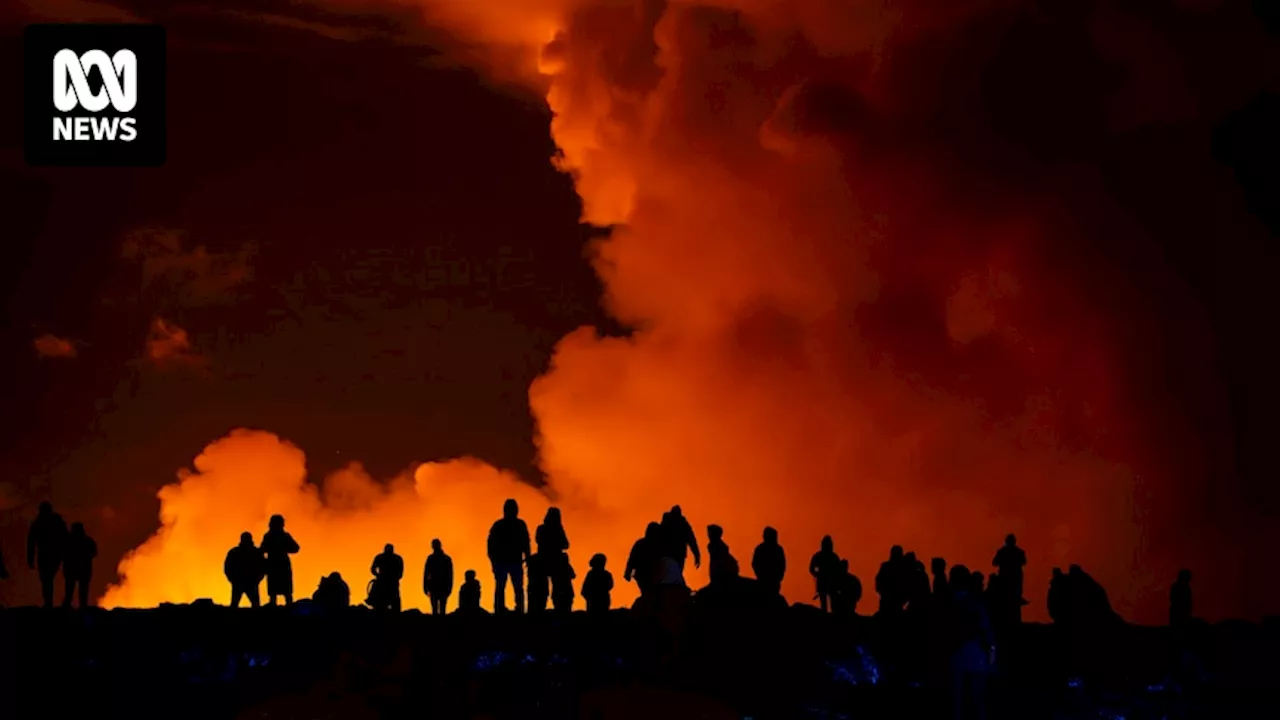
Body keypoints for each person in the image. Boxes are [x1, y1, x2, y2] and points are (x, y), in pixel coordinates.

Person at [487, 499, 530, 613]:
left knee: (509, 587)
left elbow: (526, 542)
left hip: (510, 562)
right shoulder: (518, 525)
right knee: (511, 587)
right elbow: (526, 543)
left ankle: (506, 608)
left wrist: (494, 562)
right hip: (508, 562)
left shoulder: (500, 525)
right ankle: (513, 608)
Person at [27, 501, 68, 608]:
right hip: (53, 555)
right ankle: (50, 602)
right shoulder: (56, 522)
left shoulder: (39, 523)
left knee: (46, 579)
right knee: (47, 579)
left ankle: (49, 602)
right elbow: (66, 538)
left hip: (47, 555)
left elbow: (31, 542)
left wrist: (30, 559)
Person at [261, 514, 300, 606]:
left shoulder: (269, 536)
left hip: (274, 564)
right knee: (284, 590)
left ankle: (275, 606)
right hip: (281, 564)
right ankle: (288, 607)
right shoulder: (283, 536)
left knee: (276, 590)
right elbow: (295, 548)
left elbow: (295, 548)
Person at [224, 532, 264, 608]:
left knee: (235, 606)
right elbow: (228, 567)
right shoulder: (256, 552)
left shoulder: (235, 552)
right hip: (245, 582)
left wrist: (257, 579)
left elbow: (262, 567)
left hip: (246, 582)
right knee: (255, 606)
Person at [62, 522, 97, 609]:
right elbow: (94, 553)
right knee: (82, 588)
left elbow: (62, 553)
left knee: (71, 588)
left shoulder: (68, 541)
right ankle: (82, 605)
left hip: (72, 569)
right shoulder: (88, 541)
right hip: (83, 569)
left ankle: (68, 605)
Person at [624, 522, 664, 596]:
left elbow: (632, 559)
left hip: (654, 575)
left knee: (651, 594)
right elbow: (632, 559)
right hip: (643, 574)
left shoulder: (658, 545)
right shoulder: (641, 544)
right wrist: (628, 572)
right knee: (648, 593)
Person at [660, 506, 701, 571]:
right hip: (670, 555)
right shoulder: (679, 523)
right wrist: (697, 555)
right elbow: (692, 540)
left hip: (674, 555)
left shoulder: (682, 524)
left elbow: (692, 540)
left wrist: (697, 555)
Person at [751, 526, 786, 596]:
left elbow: (782, 564)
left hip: (773, 580)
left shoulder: (777, 550)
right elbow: (755, 563)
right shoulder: (762, 549)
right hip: (765, 580)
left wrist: (779, 576)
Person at [369, 543, 404, 612]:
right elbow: (373, 568)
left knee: (395, 597)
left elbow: (400, 571)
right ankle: (371, 599)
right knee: (375, 591)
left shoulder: (397, 558)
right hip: (382, 580)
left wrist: (395, 577)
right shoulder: (380, 557)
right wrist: (377, 575)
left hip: (392, 581)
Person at [810, 535, 841, 612]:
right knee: (827, 605)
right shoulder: (833, 557)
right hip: (826, 584)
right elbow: (811, 568)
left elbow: (811, 568)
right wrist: (817, 574)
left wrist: (817, 574)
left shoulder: (820, 556)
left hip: (829, 584)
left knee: (831, 606)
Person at [423, 539, 454, 615]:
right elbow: (426, 574)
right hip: (436, 586)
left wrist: (449, 587)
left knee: (440, 609)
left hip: (441, 586)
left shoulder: (442, 559)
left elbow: (450, 575)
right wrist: (425, 586)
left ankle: (438, 624)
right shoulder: (444, 559)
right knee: (437, 609)